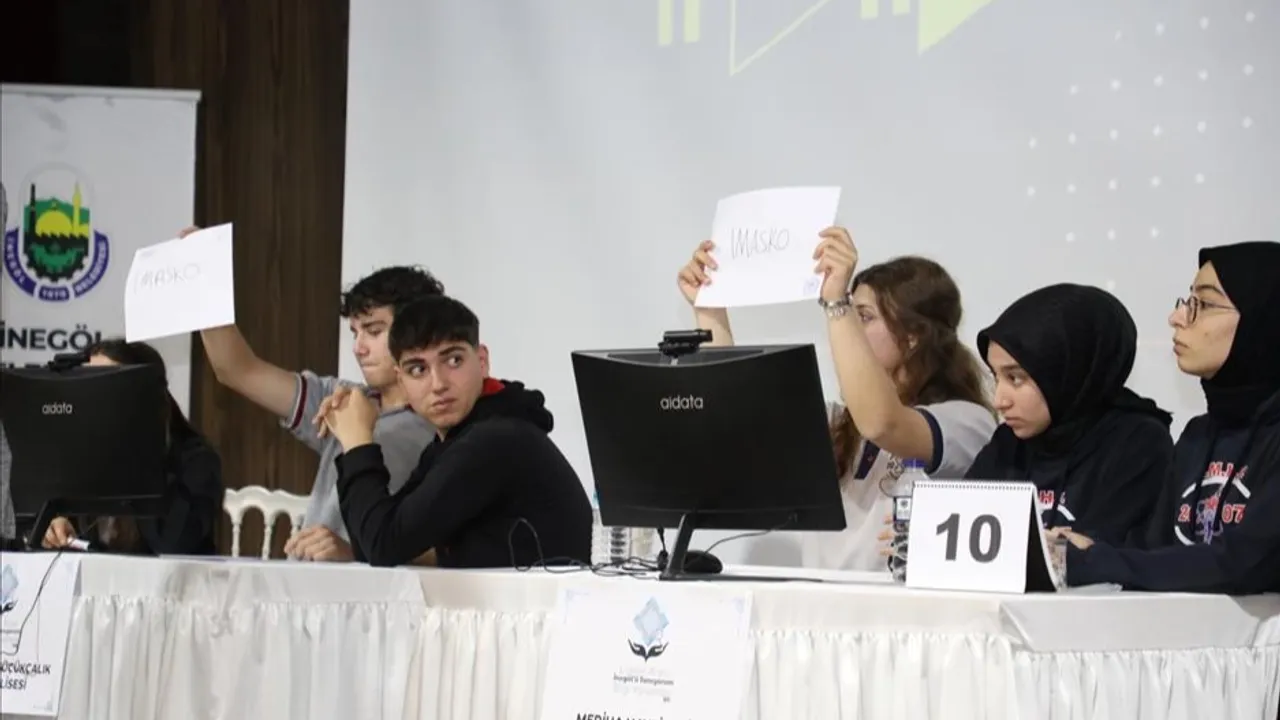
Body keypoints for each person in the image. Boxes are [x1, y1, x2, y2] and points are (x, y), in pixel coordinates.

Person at [678, 227, 996, 570]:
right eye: (851, 315)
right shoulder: (837, 423)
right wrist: (709, 310)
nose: (849, 329)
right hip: (822, 603)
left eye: (864, 317)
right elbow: (735, 412)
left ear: (913, 336)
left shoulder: (965, 421)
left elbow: (882, 424)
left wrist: (837, 303)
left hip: (901, 605)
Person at [186, 225, 439, 562]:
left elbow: (454, 550)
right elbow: (236, 369)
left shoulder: (444, 419)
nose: (359, 348)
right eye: (355, 333)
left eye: (373, 331)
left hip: (378, 590)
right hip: (306, 583)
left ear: (415, 332)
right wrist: (204, 277)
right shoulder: (341, 399)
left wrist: (354, 553)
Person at [1061, 241, 1280, 594]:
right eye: (1188, 301)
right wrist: (1086, 544)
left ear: (1264, 318)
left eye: (1203, 304)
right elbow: (1155, 547)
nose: (1177, 317)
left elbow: (1244, 564)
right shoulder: (1199, 434)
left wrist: (1097, 561)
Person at [318, 295, 592, 568]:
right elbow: (382, 538)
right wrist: (356, 549)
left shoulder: (494, 439)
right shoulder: (453, 440)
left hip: (549, 597)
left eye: (453, 361)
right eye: (418, 369)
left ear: (482, 361)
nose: (438, 384)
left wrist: (357, 442)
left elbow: (383, 544)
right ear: (401, 380)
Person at [966, 284, 1174, 545]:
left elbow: (1101, 553)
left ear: (1067, 369)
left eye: (1015, 378)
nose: (999, 401)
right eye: (996, 377)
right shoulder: (1009, 441)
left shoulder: (1138, 444)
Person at [40, 339, 224, 555]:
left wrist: (136, 447)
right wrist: (56, 528)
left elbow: (173, 544)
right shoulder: (85, 455)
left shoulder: (197, 461)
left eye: (106, 386)